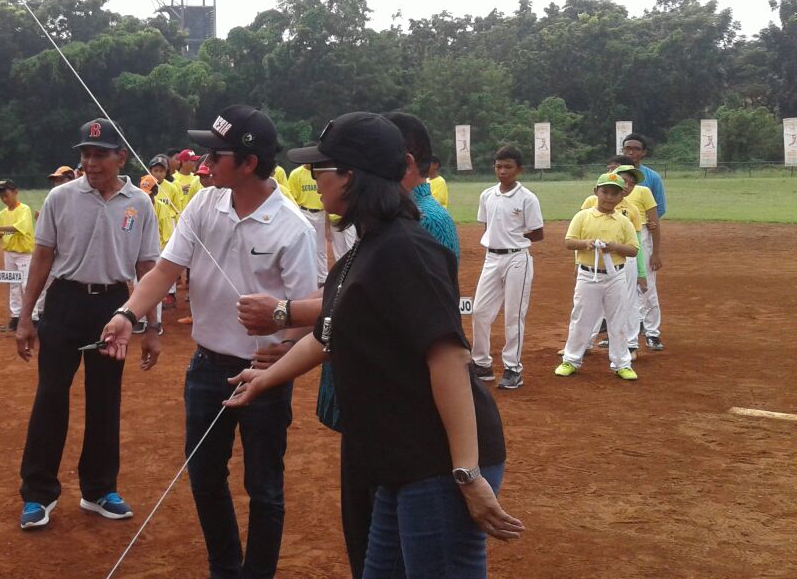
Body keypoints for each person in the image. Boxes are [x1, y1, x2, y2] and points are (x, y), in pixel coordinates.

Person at [225, 112, 523, 579]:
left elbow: (447, 358)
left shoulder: (407, 249)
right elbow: (327, 336)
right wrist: (263, 379)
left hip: (436, 463)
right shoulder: (364, 250)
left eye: (322, 167)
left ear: (352, 175)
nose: (311, 178)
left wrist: (466, 473)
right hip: (395, 459)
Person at [100, 104, 318, 579]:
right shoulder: (203, 203)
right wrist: (126, 314)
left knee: (263, 487)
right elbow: (165, 270)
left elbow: (308, 311)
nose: (203, 163)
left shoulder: (293, 228)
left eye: (214, 155)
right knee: (203, 475)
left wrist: (283, 351)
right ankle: (226, 568)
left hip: (264, 373)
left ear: (249, 163)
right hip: (207, 367)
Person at [14, 118, 160, 530]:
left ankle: (98, 490)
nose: (90, 162)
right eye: (86, 154)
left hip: (115, 307)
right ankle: (38, 494)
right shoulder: (61, 197)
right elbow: (42, 258)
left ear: (121, 157)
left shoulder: (140, 203)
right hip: (63, 305)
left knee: (105, 399)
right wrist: (26, 317)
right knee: (51, 398)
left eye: (100, 154)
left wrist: (152, 327)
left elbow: (148, 267)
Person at [469, 145, 544, 391]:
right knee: (480, 311)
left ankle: (513, 368)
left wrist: (515, 241)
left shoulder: (527, 198)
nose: (502, 171)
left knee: (514, 315)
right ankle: (482, 364)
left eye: (508, 167)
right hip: (491, 258)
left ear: (519, 170)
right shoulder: (487, 195)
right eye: (499, 166)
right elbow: (487, 227)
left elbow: (538, 232)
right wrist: (497, 243)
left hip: (517, 259)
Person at [555, 171, 642, 380]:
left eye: (614, 193)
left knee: (618, 319)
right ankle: (571, 359)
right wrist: (587, 243)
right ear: (596, 192)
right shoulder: (583, 216)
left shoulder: (624, 221)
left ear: (622, 197)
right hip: (588, 274)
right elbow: (569, 242)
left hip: (615, 275)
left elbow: (633, 249)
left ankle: (622, 363)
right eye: (605, 192)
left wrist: (614, 247)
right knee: (581, 317)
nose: (609, 197)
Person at [578, 159, 656, 357]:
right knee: (589, 303)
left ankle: (630, 345)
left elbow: (636, 243)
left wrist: (640, 272)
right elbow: (579, 233)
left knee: (627, 302)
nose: (628, 186)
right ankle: (583, 343)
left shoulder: (632, 210)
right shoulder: (590, 202)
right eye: (625, 181)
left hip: (624, 261)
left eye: (632, 183)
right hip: (592, 259)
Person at [621, 133, 666, 350]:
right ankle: (620, 332)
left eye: (635, 149)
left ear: (643, 152)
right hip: (617, 236)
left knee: (646, 284)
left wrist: (655, 250)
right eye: (626, 148)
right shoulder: (612, 176)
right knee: (618, 286)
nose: (630, 152)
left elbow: (659, 211)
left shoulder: (651, 179)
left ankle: (652, 332)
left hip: (643, 234)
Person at [0, 179, 35, 333]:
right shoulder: (2, 213)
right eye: (1, 195)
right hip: (9, 253)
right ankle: (16, 316)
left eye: (6, 194)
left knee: (26, 285)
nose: (3, 198)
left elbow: (18, 228)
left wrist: (0, 229)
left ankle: (33, 318)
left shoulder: (24, 210)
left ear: (15, 192)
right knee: (13, 284)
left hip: (24, 255)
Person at [137, 173, 177, 335]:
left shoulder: (162, 208)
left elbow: (167, 234)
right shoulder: (136, 206)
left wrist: (160, 257)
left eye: (150, 193)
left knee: (154, 286)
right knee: (138, 286)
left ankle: (156, 321)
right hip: (138, 253)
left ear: (155, 192)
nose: (147, 197)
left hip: (156, 252)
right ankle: (139, 319)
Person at [287, 159, 330, 285]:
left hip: (320, 212)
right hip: (304, 212)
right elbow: (292, 197)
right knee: (304, 245)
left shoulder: (319, 172)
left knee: (321, 247)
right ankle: (306, 278)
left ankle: (322, 278)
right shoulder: (296, 174)